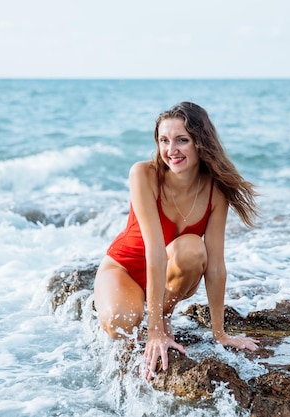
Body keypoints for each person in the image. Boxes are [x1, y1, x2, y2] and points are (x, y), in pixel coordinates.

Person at [94, 102, 259, 380]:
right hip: (125, 268)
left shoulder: (215, 189)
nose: (172, 150)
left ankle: (164, 312)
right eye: (164, 140)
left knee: (194, 249)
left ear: (201, 143)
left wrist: (220, 334)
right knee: (121, 323)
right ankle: (143, 313)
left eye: (182, 140)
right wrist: (153, 330)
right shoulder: (144, 174)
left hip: (170, 270)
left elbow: (215, 266)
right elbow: (155, 251)